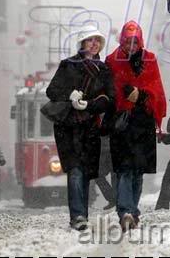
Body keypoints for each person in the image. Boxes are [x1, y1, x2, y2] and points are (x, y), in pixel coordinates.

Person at [45, 25, 115, 231]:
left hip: (90, 128)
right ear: (82, 43)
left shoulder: (104, 70)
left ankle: (81, 214)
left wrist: (90, 105)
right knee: (75, 170)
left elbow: (110, 99)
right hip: (67, 127)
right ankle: (77, 216)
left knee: (84, 172)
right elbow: (52, 91)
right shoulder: (68, 65)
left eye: (97, 40)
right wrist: (70, 96)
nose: (94, 44)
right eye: (89, 40)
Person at [105, 20, 166, 231]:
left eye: (134, 41)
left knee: (137, 170)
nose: (131, 46)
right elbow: (109, 89)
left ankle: (131, 209)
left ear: (139, 41)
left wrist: (141, 95)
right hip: (122, 121)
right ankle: (126, 211)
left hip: (142, 120)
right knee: (124, 169)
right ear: (122, 40)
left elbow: (156, 89)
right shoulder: (112, 60)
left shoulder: (149, 59)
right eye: (128, 41)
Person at [95, 135, 117, 210]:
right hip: (104, 148)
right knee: (99, 176)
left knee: (114, 175)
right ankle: (114, 198)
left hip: (107, 148)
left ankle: (114, 199)